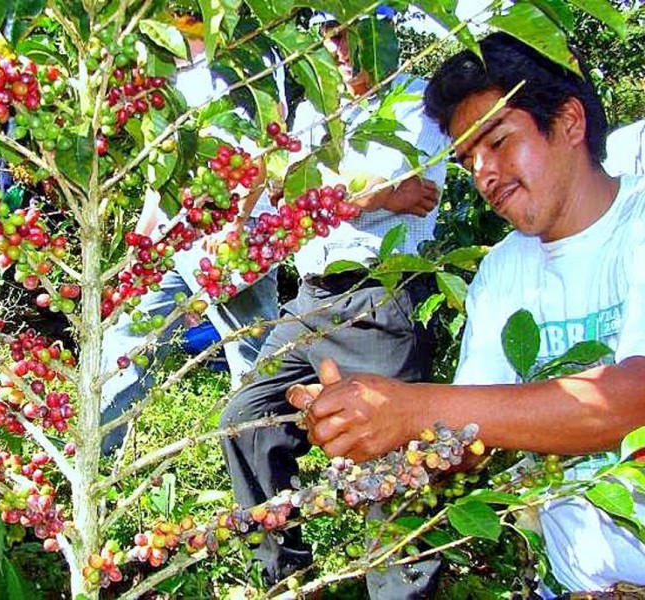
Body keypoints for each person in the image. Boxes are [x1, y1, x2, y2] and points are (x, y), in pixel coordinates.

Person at [288, 32, 645, 595]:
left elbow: (630, 402)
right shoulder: (502, 271)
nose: (484, 174)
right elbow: (470, 438)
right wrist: (378, 442)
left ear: (570, 122)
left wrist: (412, 408)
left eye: (498, 142)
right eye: (468, 160)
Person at [220, 15, 448, 586]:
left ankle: (402, 590)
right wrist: (370, 194)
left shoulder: (419, 102)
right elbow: (293, 194)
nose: (339, 49)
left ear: (386, 34)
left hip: (382, 296)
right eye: (329, 36)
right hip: (313, 299)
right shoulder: (314, 110)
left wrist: (330, 194)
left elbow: (400, 189)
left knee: (394, 455)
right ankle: (286, 578)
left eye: (353, 34)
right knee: (246, 419)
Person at [98, 10, 281, 455]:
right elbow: (165, 168)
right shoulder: (169, 75)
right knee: (129, 339)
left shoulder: (245, 62)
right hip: (177, 236)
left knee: (250, 354)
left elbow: (265, 147)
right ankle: (97, 453)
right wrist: (145, 236)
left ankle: (260, 461)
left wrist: (237, 224)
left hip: (233, 237)